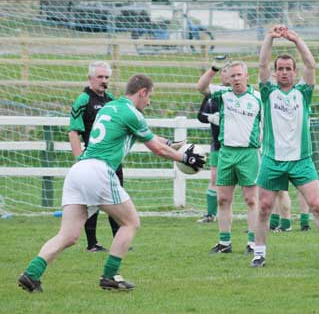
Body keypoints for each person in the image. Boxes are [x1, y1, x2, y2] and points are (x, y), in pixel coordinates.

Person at [18, 74, 205, 293]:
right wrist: (184, 158)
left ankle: (31, 274)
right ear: (142, 92)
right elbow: (157, 148)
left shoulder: (110, 108)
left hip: (79, 171)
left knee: (68, 235)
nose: (150, 102)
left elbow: (151, 139)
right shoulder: (132, 113)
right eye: (149, 96)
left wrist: (174, 144)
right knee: (131, 222)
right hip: (99, 171)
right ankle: (109, 275)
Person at [251, 24, 319, 268]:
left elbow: (311, 65)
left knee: (316, 204)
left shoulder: (303, 92)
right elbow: (261, 65)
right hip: (272, 160)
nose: (283, 72)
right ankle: (259, 253)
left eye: (288, 69)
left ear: (294, 72)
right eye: (279, 69)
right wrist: (269, 38)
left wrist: (296, 40)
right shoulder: (267, 91)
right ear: (275, 72)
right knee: (263, 207)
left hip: (301, 160)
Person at [197, 61, 262, 255]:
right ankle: (224, 242)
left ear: (246, 76)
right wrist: (214, 68)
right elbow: (200, 87)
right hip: (226, 152)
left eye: (239, 75)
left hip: (249, 153)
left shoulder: (258, 98)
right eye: (232, 75)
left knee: (251, 200)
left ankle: (252, 242)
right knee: (223, 199)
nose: (236, 79)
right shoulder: (223, 94)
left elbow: (267, 126)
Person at [68, 61, 119, 252]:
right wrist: (79, 159)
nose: (104, 81)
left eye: (106, 77)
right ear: (90, 78)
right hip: (92, 160)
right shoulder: (83, 100)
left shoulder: (111, 100)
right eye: (100, 77)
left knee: (117, 198)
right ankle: (92, 243)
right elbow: (74, 132)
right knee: (92, 201)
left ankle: (118, 240)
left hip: (112, 160)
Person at [196, 59, 230, 222]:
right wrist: (212, 117)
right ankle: (210, 214)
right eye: (224, 71)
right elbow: (200, 116)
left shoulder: (241, 94)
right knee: (215, 178)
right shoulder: (213, 93)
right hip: (217, 145)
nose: (227, 74)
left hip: (241, 146)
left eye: (230, 72)